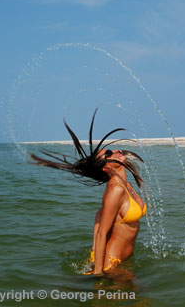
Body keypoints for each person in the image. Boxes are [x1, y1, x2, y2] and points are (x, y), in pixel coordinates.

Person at [29, 109, 146, 275]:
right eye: (108, 153)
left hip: (124, 260)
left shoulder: (126, 185)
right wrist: (99, 274)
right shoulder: (115, 189)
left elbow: (101, 213)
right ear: (106, 167)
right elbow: (101, 234)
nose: (115, 151)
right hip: (111, 264)